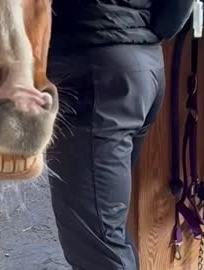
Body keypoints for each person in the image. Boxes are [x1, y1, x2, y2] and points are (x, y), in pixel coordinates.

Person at [46, 1, 168, 269]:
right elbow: (175, 13)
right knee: (106, 224)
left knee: (96, 244)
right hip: (142, 65)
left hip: (92, 71)